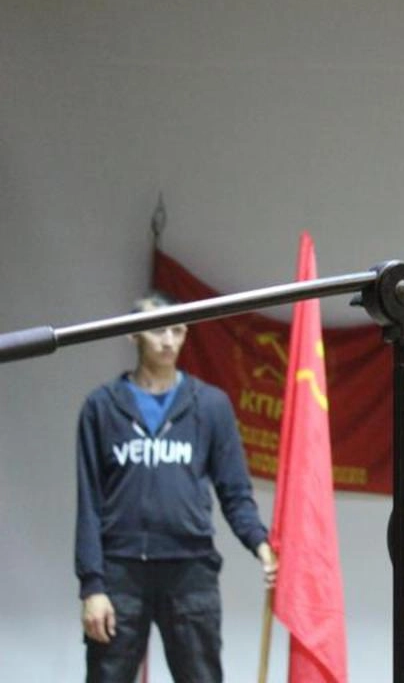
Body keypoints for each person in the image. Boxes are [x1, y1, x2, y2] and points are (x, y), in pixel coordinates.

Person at [75, 292, 277, 682]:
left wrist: (260, 543)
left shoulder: (210, 406)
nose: (169, 340)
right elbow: (89, 504)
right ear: (132, 334)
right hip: (120, 572)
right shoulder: (101, 407)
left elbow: (235, 491)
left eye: (178, 330)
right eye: (158, 330)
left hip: (190, 570)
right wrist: (92, 587)